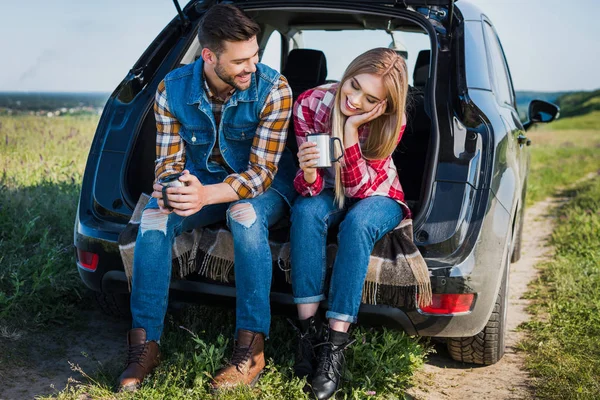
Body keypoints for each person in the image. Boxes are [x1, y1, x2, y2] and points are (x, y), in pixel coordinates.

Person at [117, 4, 297, 392]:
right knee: (153, 217)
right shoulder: (171, 89)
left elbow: (261, 174)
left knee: (244, 216)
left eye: (256, 56)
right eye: (241, 61)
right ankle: (145, 343)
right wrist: (174, 190)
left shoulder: (275, 88)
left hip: (264, 185)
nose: (252, 66)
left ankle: (251, 347)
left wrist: (205, 196)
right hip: (198, 179)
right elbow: (166, 165)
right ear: (209, 56)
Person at [289, 47, 410, 399]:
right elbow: (309, 188)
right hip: (329, 188)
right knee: (306, 212)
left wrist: (353, 131)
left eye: (369, 98)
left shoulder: (392, 121)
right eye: (353, 85)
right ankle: (307, 335)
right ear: (348, 73)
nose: (354, 100)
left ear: (384, 105)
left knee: (357, 225)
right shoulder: (310, 103)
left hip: (379, 193)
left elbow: (360, 190)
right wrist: (309, 171)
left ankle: (334, 347)